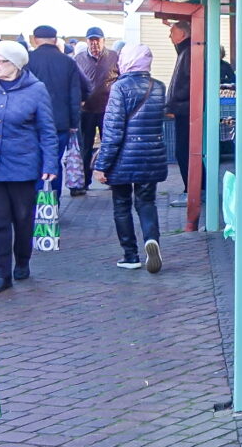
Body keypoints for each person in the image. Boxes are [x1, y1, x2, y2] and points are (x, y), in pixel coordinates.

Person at [0, 41, 57, 293]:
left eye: (1, 61)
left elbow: (47, 130)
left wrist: (50, 163)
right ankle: (1, 275)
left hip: (23, 167)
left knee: (23, 218)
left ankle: (23, 261)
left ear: (15, 63)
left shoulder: (36, 90)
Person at [95, 43, 167, 273]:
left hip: (123, 158)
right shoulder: (158, 86)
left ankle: (130, 255)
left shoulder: (120, 87)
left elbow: (113, 130)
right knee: (147, 202)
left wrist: (101, 165)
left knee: (121, 205)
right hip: (151, 156)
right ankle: (151, 239)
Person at [26, 26, 86, 200]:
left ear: (35, 40)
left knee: (33, 163)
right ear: (55, 40)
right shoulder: (68, 62)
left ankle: (33, 204)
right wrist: (74, 123)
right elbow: (75, 95)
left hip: (32, 122)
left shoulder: (28, 60)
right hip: (60, 123)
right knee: (54, 163)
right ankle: (51, 205)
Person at [74, 26, 120, 193]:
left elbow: (121, 79)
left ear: (103, 41)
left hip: (108, 110)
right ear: (87, 42)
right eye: (91, 41)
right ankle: (84, 182)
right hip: (86, 111)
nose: (94, 44)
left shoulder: (114, 57)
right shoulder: (78, 58)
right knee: (85, 147)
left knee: (109, 145)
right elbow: (74, 82)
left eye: (97, 40)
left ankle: (112, 179)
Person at [164, 20, 195, 206]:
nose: (169, 36)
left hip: (186, 110)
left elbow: (188, 84)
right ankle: (193, 189)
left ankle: (193, 191)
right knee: (184, 151)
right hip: (184, 109)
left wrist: (173, 105)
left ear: (183, 34)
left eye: (172, 32)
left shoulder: (189, 52)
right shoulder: (185, 50)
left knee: (185, 152)